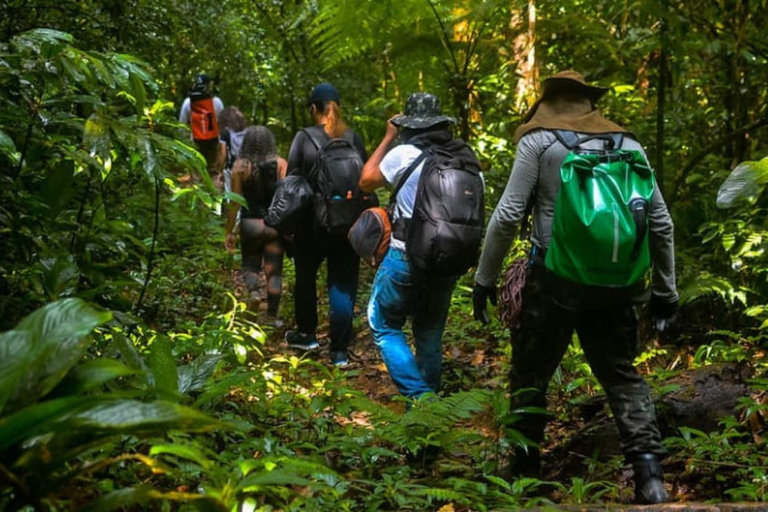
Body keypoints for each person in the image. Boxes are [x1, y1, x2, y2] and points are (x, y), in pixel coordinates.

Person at [472, 71, 678, 504]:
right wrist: (665, 290)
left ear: (547, 103)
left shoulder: (539, 143)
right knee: (622, 376)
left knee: (531, 374)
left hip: (554, 279)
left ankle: (524, 475)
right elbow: (660, 222)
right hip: (618, 283)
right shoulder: (629, 146)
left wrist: (484, 279)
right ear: (589, 103)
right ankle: (650, 476)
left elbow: (509, 214)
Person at [359, 92, 480, 399]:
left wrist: (388, 137)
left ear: (409, 126)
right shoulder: (467, 159)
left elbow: (366, 180)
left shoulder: (404, 153)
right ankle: (428, 419)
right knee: (429, 332)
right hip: (448, 260)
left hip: (405, 256)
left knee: (383, 323)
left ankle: (420, 399)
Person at [283, 83, 367, 366]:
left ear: (313, 109)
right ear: (338, 107)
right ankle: (340, 352)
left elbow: (292, 183)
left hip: (311, 225)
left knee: (306, 278)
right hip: (347, 225)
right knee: (343, 285)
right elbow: (365, 181)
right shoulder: (354, 139)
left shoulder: (304, 138)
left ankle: (307, 335)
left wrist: (287, 227)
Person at [225, 126, 287, 324]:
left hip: (250, 222)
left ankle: (253, 292)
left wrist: (229, 231)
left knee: (249, 265)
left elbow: (235, 201)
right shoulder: (280, 164)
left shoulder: (240, 167)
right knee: (274, 270)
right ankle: (272, 316)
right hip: (273, 224)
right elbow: (286, 198)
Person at [179, 73, 225, 179]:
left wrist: (184, 144)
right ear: (208, 86)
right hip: (214, 141)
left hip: (195, 141)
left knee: (196, 171)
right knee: (213, 171)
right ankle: (214, 194)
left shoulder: (188, 102)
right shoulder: (217, 102)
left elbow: (182, 125)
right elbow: (222, 124)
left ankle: (197, 194)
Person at [218, 107, 248, 193]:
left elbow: (223, 154)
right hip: (247, 166)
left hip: (232, 167)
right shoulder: (247, 131)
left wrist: (220, 170)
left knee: (231, 194)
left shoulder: (225, 133)